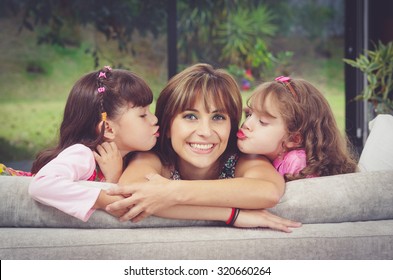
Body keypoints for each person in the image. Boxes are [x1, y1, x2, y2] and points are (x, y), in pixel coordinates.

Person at [106, 63, 301, 232]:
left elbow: (267, 191)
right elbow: (131, 195)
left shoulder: (241, 159)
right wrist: (231, 214)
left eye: (218, 117)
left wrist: (172, 192)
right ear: (168, 126)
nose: (205, 132)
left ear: (231, 125)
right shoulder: (155, 159)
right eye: (190, 116)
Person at [28, 66, 159, 221]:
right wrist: (102, 199)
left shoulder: (133, 161)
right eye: (143, 115)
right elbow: (41, 185)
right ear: (108, 128)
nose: (154, 119)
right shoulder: (82, 154)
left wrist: (114, 178)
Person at [237, 76, 358, 181]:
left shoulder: (297, 163)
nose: (247, 124)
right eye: (250, 114)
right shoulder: (271, 156)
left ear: (293, 139)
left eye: (262, 122)